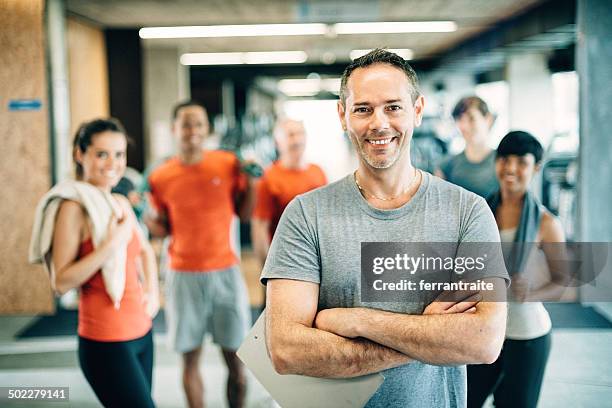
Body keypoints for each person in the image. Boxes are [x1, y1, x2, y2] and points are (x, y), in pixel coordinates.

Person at [262, 49, 509, 407]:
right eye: (363, 109)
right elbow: (285, 350)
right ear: (343, 116)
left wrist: (360, 320)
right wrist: (426, 336)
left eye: (393, 107)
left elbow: (483, 340)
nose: (379, 123)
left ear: (417, 110)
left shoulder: (467, 212)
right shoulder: (305, 215)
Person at [145, 101, 255, 408]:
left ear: (207, 129)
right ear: (174, 129)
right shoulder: (160, 175)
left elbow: (244, 214)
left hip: (226, 272)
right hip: (182, 274)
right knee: (189, 361)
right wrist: (146, 216)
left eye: (198, 124)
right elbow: (162, 228)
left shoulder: (227, 164)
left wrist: (254, 181)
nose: (192, 130)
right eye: (186, 124)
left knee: (238, 363)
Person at [48, 119, 159, 407]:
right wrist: (111, 245)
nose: (112, 163)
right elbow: (61, 281)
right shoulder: (73, 208)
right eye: (101, 154)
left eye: (119, 154)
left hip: (142, 332)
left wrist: (154, 293)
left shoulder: (120, 203)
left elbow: (145, 251)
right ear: (79, 154)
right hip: (107, 341)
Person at [467, 131, 569, 408]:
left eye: (521, 162)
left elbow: (563, 280)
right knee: (465, 401)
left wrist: (533, 291)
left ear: (535, 168)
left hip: (527, 337)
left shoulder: (546, 223)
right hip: (483, 331)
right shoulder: (479, 213)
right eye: (505, 160)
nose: (511, 169)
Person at [251, 118, 327, 269]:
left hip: (316, 259)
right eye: (291, 135)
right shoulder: (269, 178)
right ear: (278, 142)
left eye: (300, 134)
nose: (297, 140)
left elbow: (326, 220)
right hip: (284, 261)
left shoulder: (318, 172)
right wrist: (267, 269)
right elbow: (260, 227)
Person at [436, 96, 498, 198]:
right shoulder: (447, 166)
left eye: (471, 118)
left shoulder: (502, 163)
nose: (464, 126)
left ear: (488, 119)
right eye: (460, 119)